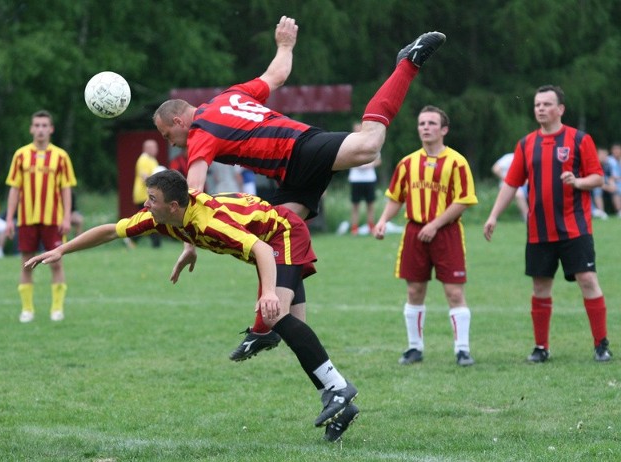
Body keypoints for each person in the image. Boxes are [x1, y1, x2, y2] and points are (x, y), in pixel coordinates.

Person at [153, 15, 446, 359]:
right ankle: (273, 328)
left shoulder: (201, 131)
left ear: (177, 121)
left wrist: (190, 242)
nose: (172, 144)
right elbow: (276, 75)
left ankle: (407, 64)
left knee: (368, 146)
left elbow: (193, 193)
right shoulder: (227, 96)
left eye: (167, 135)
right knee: (278, 235)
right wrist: (285, 45)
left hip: (298, 149)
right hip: (291, 168)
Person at [23, 169, 359, 441]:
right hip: (272, 238)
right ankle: (338, 401)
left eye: (152, 199)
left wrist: (268, 292)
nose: (146, 204)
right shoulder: (164, 216)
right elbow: (112, 231)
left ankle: (338, 388)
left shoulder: (209, 222)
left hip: (283, 235)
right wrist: (61, 250)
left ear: (173, 206)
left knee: (277, 314)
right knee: (292, 328)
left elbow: (258, 248)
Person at [484, 85, 612, 362]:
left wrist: (577, 182)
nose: (540, 108)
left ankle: (601, 344)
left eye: (546, 104)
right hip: (539, 231)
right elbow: (511, 183)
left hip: (574, 228)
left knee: (588, 280)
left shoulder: (579, 139)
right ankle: (541, 348)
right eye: (537, 104)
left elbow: (598, 178)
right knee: (540, 287)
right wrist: (493, 215)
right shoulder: (526, 144)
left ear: (560, 109)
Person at [373, 106, 478, 367]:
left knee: (454, 292)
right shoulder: (407, 163)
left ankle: (462, 350)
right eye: (422, 123)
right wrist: (383, 220)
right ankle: (414, 348)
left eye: (432, 123)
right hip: (415, 232)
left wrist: (436, 224)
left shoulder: (457, 162)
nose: (426, 127)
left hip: (447, 233)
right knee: (414, 289)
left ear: (444, 130)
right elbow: (397, 197)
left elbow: (464, 200)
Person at [5, 110, 77, 322]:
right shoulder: (21, 155)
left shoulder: (61, 156)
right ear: (31, 129)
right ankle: (27, 309)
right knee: (26, 264)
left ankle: (57, 309)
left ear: (51, 129)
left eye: (44, 125)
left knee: (56, 263)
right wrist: (10, 218)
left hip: (53, 219)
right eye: (36, 125)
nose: (40, 130)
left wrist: (66, 218)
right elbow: (14, 189)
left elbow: (66, 189)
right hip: (27, 218)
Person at [348, 122, 381, 235]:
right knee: (355, 204)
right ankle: (354, 228)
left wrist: (369, 165)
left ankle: (371, 226)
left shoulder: (371, 143)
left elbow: (378, 160)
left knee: (370, 203)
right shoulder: (350, 144)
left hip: (369, 178)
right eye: (356, 129)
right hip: (356, 179)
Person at [132, 139, 162, 248]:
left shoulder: (152, 160)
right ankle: (132, 237)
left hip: (150, 195)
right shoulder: (143, 160)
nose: (156, 150)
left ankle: (132, 238)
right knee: (151, 220)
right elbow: (145, 178)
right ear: (147, 148)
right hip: (143, 195)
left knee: (150, 220)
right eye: (154, 147)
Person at [491, 152, 528, 221]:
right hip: (508, 185)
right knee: (518, 194)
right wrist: (508, 180)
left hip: (524, 185)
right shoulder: (509, 158)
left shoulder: (528, 158)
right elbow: (495, 169)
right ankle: (527, 217)